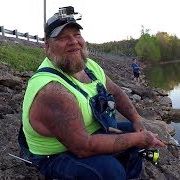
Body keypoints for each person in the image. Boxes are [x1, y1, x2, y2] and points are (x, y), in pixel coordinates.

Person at [18, 7, 165, 180]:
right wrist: (137, 139)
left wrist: (136, 120)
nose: (73, 41)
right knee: (110, 170)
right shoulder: (52, 90)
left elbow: (116, 92)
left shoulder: (90, 67)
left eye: (77, 35)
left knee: (133, 132)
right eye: (63, 37)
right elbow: (83, 147)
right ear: (48, 46)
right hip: (55, 154)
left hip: (91, 134)